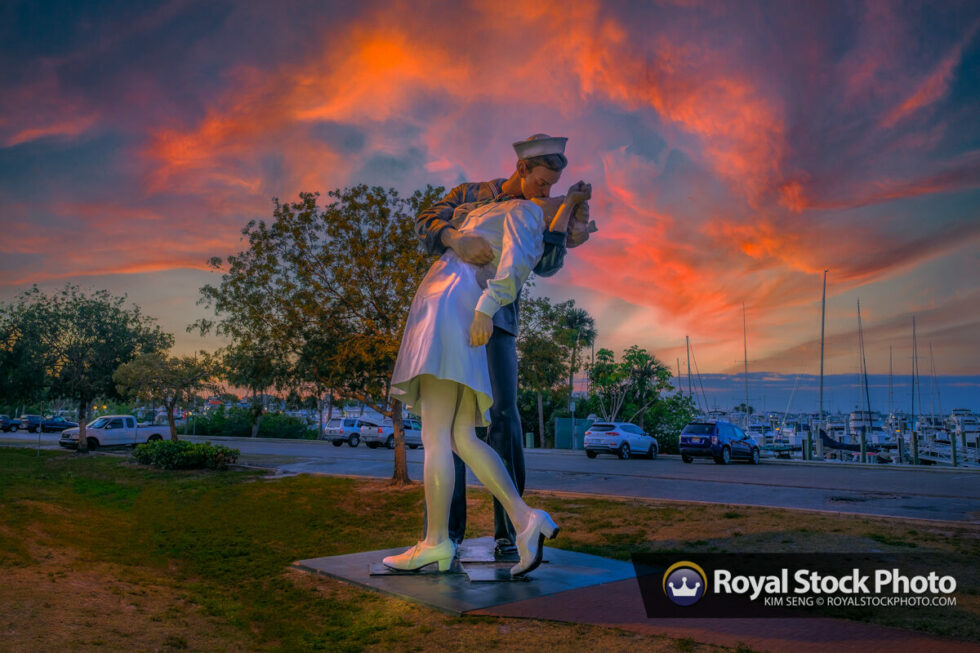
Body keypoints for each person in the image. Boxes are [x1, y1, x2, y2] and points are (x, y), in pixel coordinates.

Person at [385, 182, 591, 576]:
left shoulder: (524, 212)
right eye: (545, 185)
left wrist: (486, 307)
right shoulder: (488, 199)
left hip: (450, 306)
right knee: (462, 436)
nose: (547, 192)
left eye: (553, 194)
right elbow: (430, 221)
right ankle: (524, 520)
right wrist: (455, 238)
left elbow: (526, 263)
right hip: (459, 306)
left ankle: (437, 542)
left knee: (437, 436)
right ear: (524, 168)